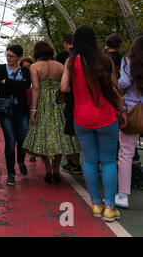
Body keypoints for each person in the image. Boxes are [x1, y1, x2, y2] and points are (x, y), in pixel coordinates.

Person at [60, 25, 126, 222]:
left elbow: (64, 86)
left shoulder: (71, 62)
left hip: (82, 117)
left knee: (88, 160)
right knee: (107, 162)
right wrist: (121, 110)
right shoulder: (105, 60)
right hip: (106, 117)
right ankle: (110, 208)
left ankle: (96, 205)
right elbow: (115, 88)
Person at [22, 41, 81, 184]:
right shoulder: (60, 66)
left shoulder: (34, 67)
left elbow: (35, 88)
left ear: (37, 52)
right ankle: (56, 170)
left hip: (42, 103)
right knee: (60, 135)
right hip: (58, 102)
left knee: (42, 136)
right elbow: (64, 85)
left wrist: (33, 109)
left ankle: (48, 170)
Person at [0, 45, 31, 186]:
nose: (8, 58)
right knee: (10, 141)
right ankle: (11, 173)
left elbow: (26, 86)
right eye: (7, 55)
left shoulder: (25, 71)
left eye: (12, 56)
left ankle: (21, 161)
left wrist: (8, 82)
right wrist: (16, 85)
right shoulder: (1, 68)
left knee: (22, 140)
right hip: (6, 110)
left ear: (18, 57)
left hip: (21, 110)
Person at [115, 35, 143, 208]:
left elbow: (123, 83)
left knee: (126, 154)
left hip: (133, 112)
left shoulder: (128, 61)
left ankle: (123, 195)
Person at [56, 34, 82, 175]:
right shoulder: (87, 56)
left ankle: (74, 162)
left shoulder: (64, 57)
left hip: (70, 99)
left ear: (65, 43)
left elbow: (63, 84)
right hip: (86, 100)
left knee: (71, 132)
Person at [19, 57, 36, 163]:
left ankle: (33, 152)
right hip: (24, 108)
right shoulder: (20, 77)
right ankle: (31, 152)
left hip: (34, 107)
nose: (28, 68)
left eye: (29, 66)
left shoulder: (36, 76)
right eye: (25, 67)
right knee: (26, 131)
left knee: (34, 130)